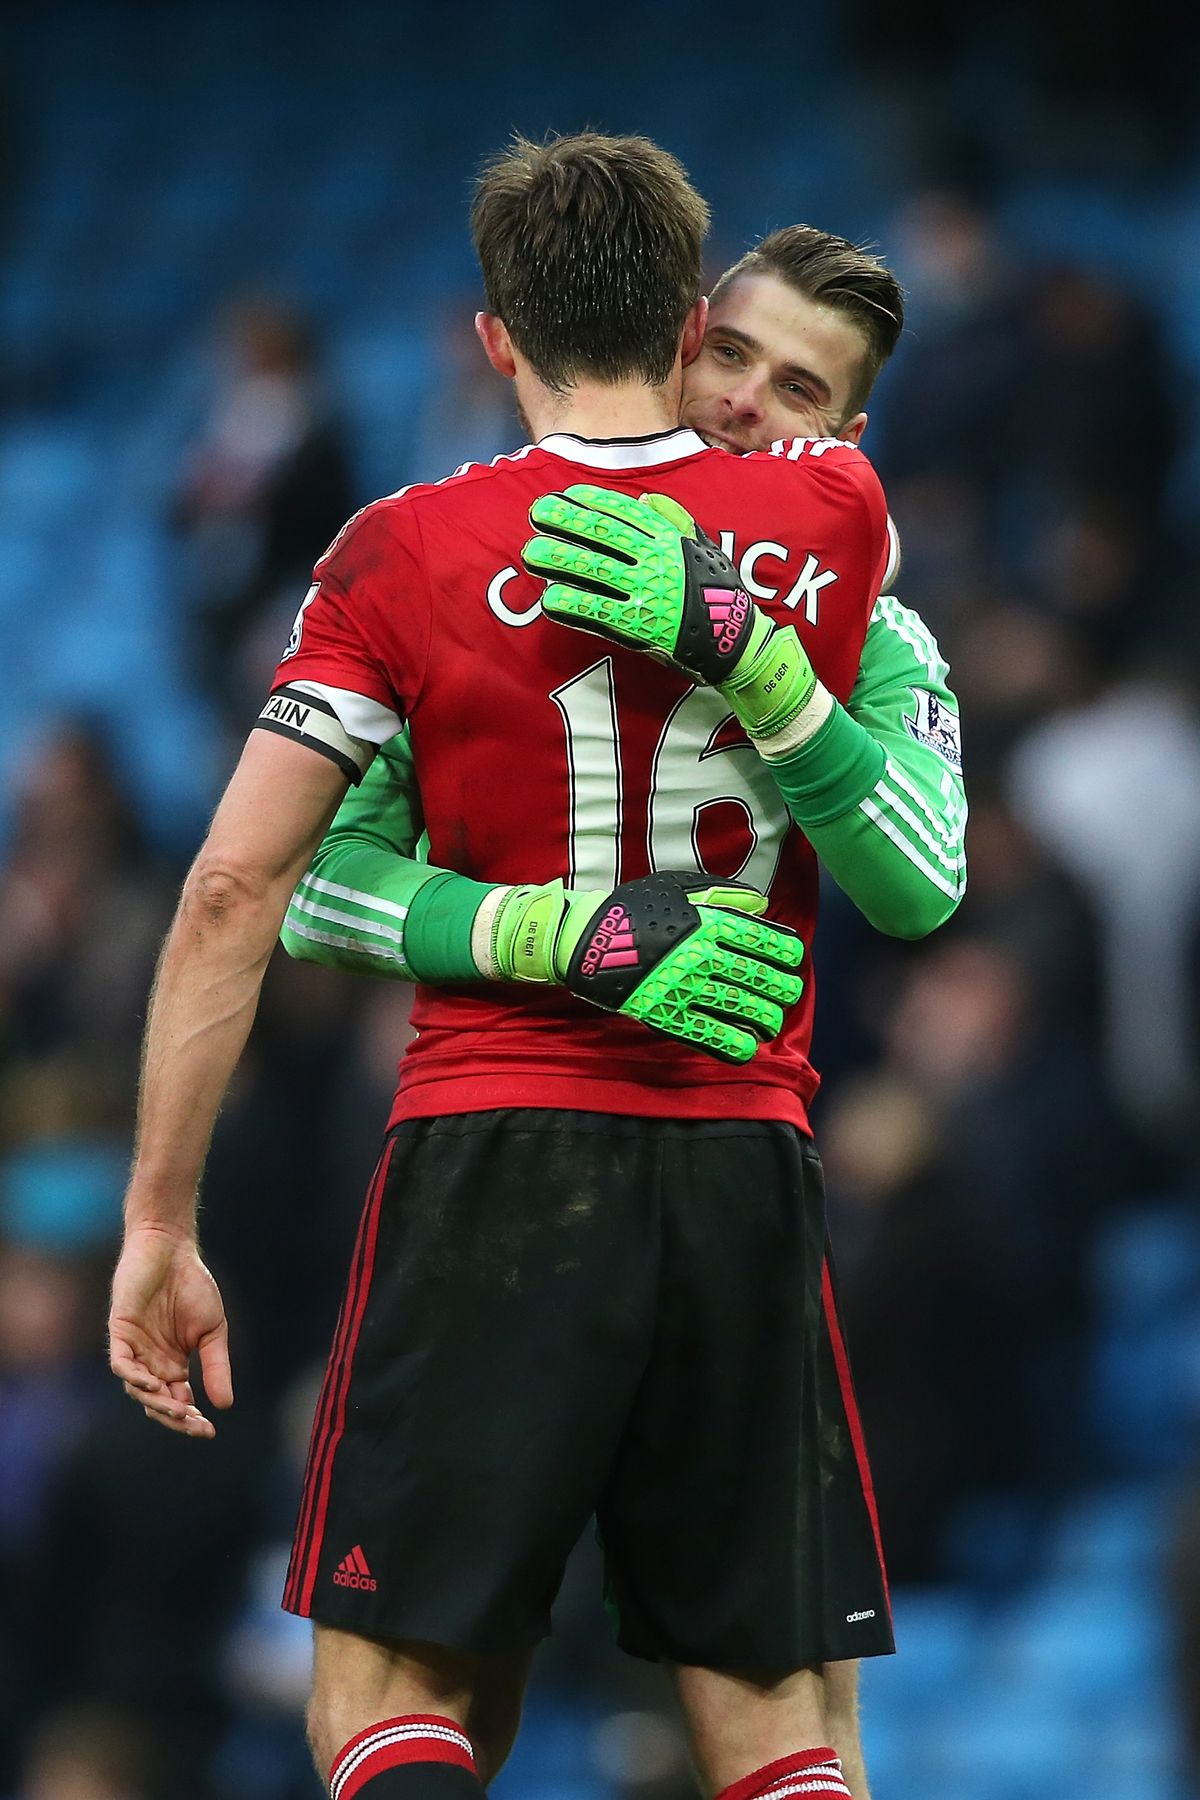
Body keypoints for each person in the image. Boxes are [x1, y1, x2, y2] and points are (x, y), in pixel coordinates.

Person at [106, 134, 950, 1800]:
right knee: (784, 1734)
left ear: (492, 335)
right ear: (688, 316)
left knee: (391, 1691)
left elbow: (238, 887)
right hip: (744, 1171)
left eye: (805, 387)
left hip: (495, 1150)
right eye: (742, 360)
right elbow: (334, 883)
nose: (760, 403)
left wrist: (156, 1218)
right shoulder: (845, 522)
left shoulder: (403, 552)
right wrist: (555, 921)